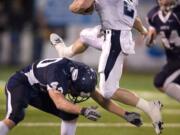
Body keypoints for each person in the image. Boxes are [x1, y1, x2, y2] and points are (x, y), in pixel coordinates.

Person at [49, 0, 164, 134]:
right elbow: (132, 18)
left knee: (108, 91)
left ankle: (150, 107)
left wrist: (73, 6)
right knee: (86, 35)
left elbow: (81, 6)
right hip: (112, 33)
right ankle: (66, 52)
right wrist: (144, 31)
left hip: (114, 38)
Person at [0, 58, 144, 135]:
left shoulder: (82, 75)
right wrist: (83, 110)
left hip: (42, 88)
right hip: (22, 83)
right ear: (70, 80)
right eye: (75, 91)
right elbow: (60, 103)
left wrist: (125, 114)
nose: (74, 94)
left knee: (69, 115)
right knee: (15, 117)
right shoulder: (57, 75)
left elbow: (101, 99)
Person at [145, 0, 180, 102]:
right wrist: (150, 39)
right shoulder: (153, 15)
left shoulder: (177, 13)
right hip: (172, 59)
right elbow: (151, 35)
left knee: (168, 85)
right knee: (159, 82)